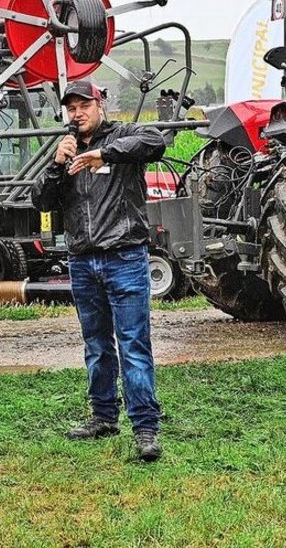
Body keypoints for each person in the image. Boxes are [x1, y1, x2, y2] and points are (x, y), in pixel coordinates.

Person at [31, 80, 168, 462]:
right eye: (71, 108)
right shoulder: (67, 150)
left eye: (84, 105)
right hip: (82, 260)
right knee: (96, 345)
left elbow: (155, 142)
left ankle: (145, 428)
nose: (77, 114)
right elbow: (40, 200)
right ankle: (103, 416)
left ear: (100, 104)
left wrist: (105, 154)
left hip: (124, 257)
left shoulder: (124, 136)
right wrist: (58, 166)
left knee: (134, 346)